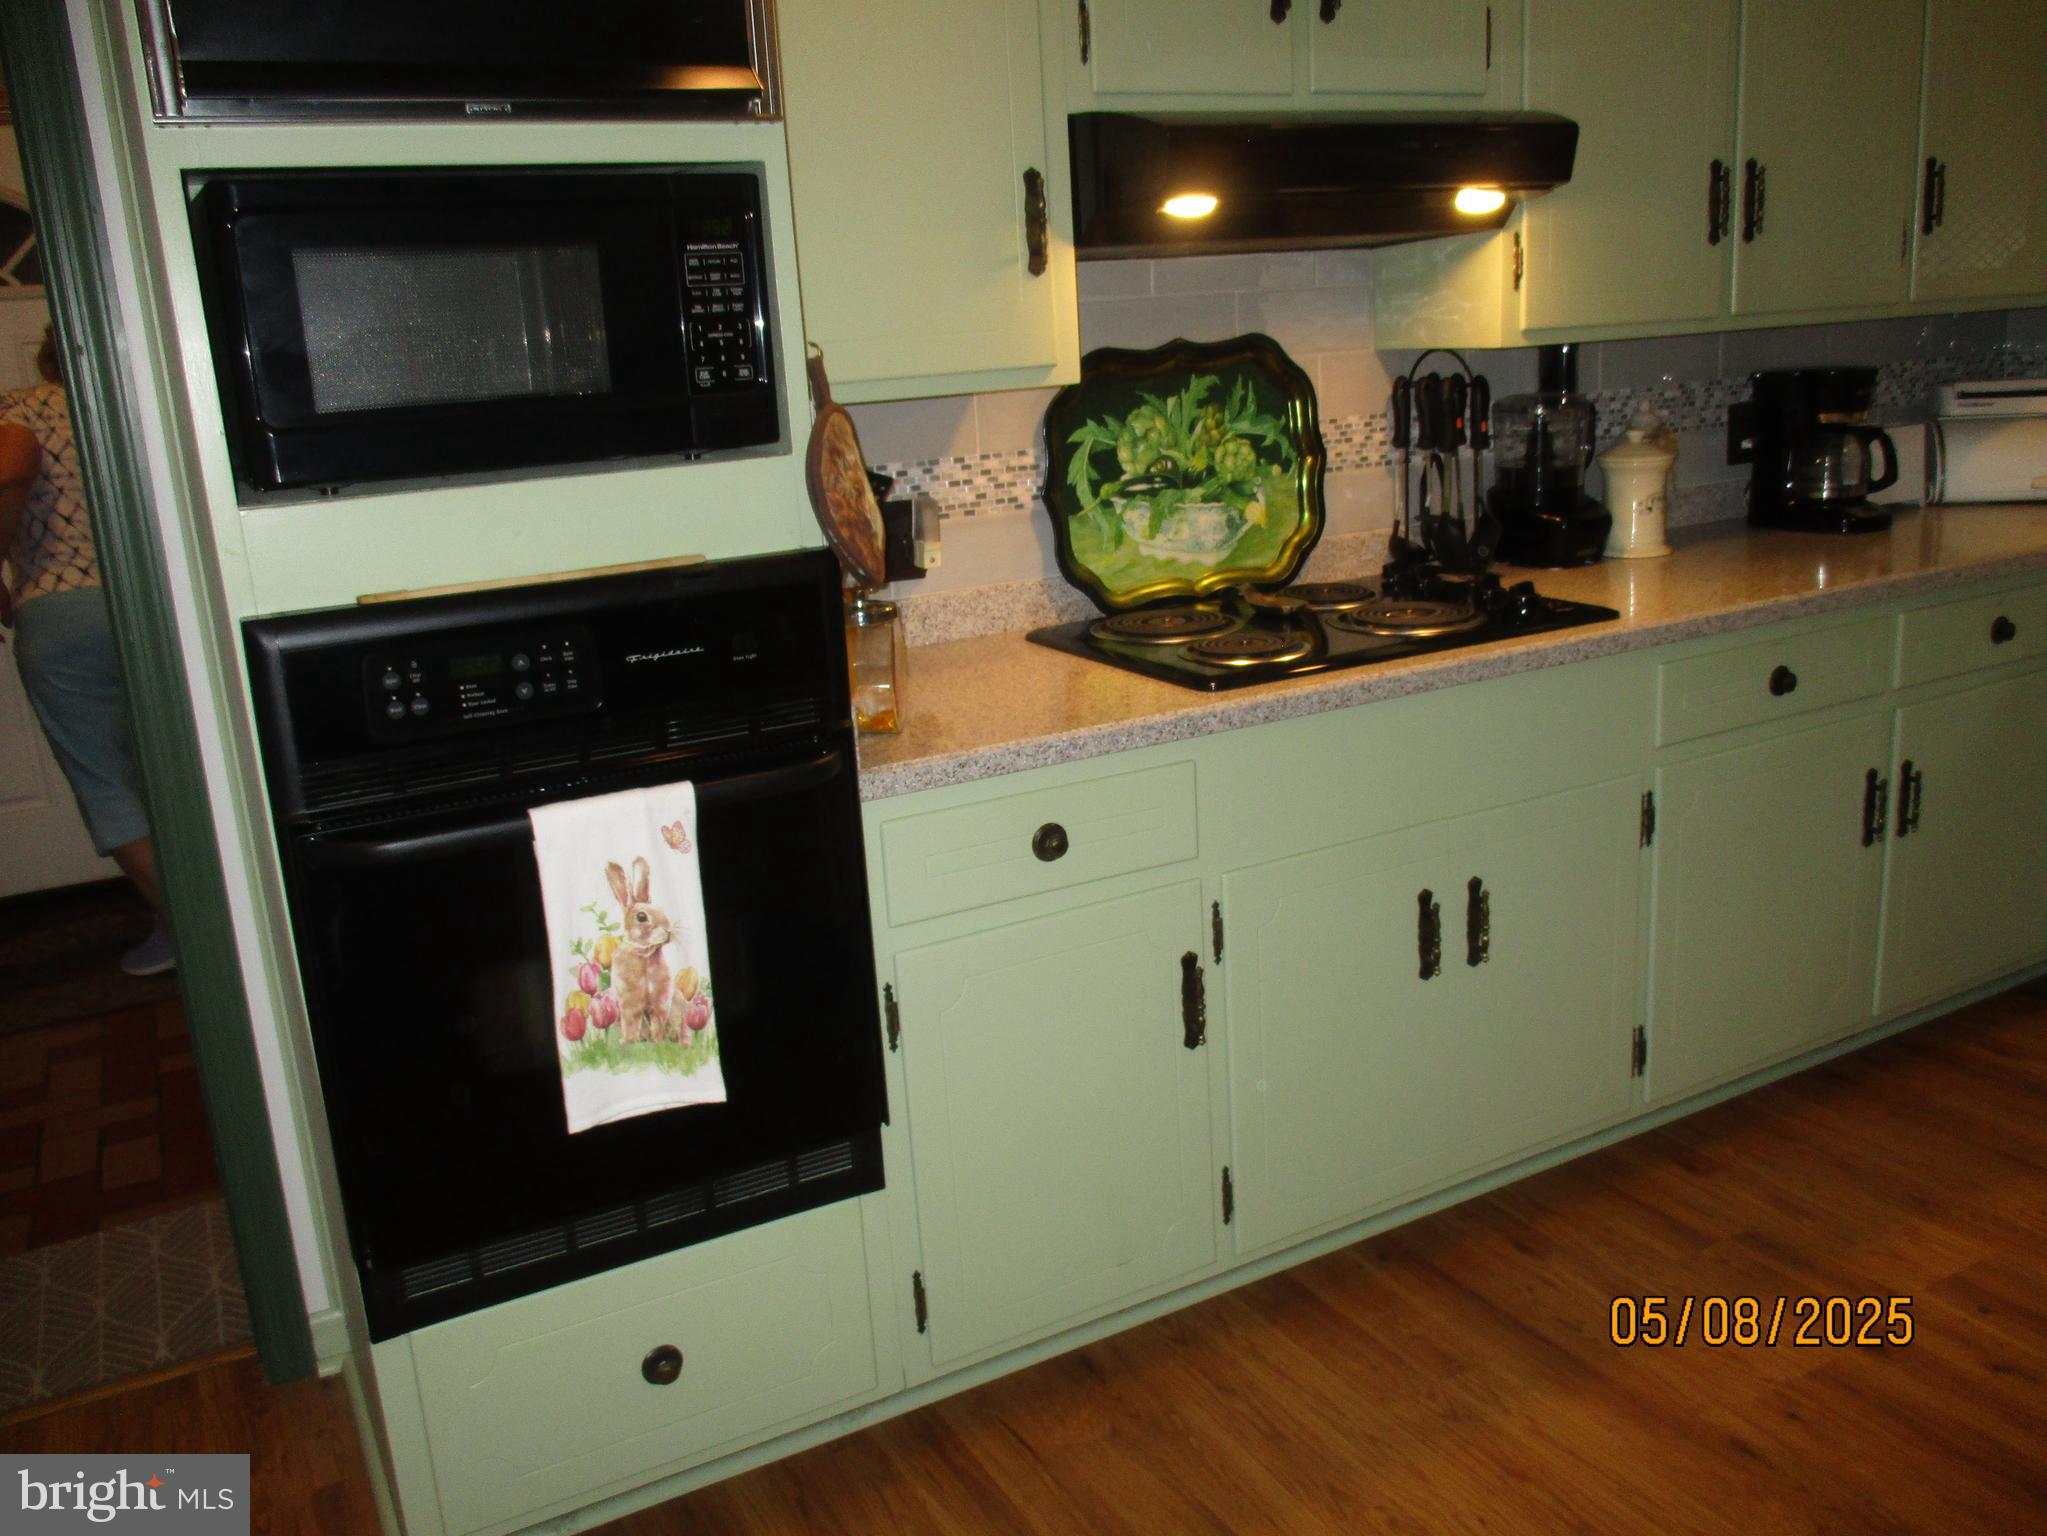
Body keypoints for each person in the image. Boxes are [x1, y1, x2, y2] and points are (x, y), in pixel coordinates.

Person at [0, 330, 173, 976]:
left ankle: (191, 933)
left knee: (110, 785)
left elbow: (10, 466)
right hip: (157, 608)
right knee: (175, 772)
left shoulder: (23, 407)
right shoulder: (134, 409)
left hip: (64, 611)